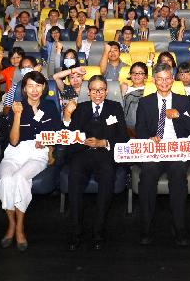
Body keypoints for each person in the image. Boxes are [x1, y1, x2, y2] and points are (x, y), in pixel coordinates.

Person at [135, 63, 190, 246]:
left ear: (173, 80)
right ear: (154, 81)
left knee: (178, 176)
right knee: (147, 175)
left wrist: (180, 115)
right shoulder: (145, 101)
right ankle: (146, 227)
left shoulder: (184, 101)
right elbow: (139, 129)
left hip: (176, 150)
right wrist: (149, 138)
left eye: (167, 78)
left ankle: (180, 227)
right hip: (154, 150)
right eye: (160, 79)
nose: (164, 82)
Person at [0, 71, 61, 251]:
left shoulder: (49, 107)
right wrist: (17, 115)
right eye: (30, 86)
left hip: (37, 153)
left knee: (19, 179)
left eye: (38, 86)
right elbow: (14, 141)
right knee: (6, 180)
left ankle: (19, 227)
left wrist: (48, 145)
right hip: (14, 152)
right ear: (24, 89)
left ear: (43, 88)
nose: (34, 90)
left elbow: (57, 134)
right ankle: (11, 223)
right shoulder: (17, 107)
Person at [64, 75, 129, 251]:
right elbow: (68, 135)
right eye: (94, 90)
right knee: (74, 181)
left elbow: (123, 137)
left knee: (107, 180)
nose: (98, 94)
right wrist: (67, 115)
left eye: (101, 90)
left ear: (106, 91)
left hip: (105, 154)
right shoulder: (81, 108)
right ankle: (75, 233)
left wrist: (104, 143)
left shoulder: (115, 107)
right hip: (82, 154)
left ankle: (98, 232)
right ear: (88, 92)